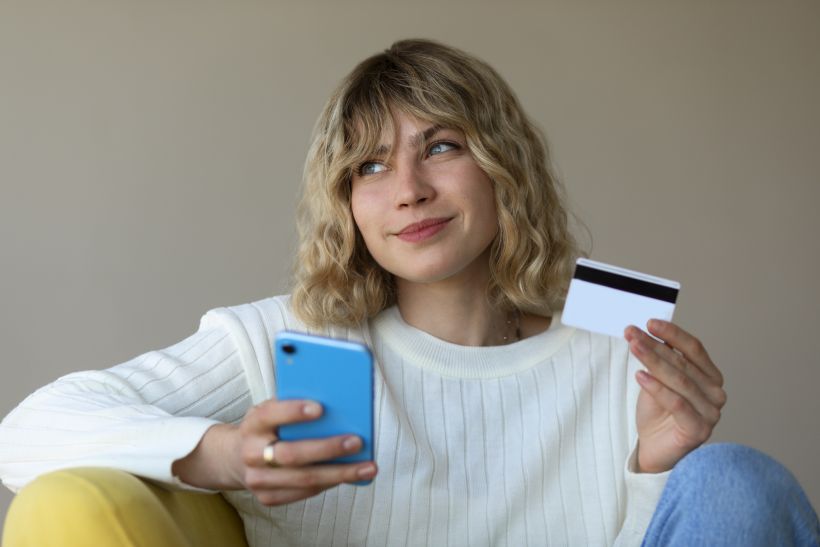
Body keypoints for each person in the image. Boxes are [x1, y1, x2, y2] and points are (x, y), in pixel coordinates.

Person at [1, 39, 818, 547]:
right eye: (370, 165)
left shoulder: (614, 326)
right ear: (345, 201)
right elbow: (24, 432)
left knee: (734, 477)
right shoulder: (290, 336)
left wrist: (654, 467)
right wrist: (224, 456)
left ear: (505, 166)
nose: (409, 190)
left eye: (442, 146)